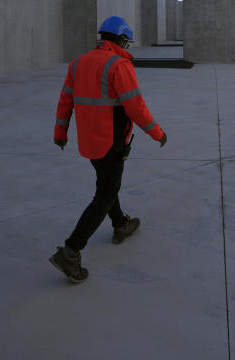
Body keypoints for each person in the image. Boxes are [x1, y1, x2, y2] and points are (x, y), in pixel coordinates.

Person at [49, 16, 168, 283]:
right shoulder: (119, 64)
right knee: (105, 193)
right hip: (112, 142)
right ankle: (71, 251)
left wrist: (60, 133)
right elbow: (135, 106)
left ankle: (120, 225)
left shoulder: (78, 63)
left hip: (89, 142)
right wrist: (157, 133)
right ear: (122, 40)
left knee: (107, 184)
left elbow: (65, 101)